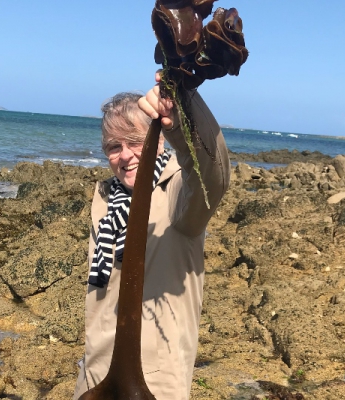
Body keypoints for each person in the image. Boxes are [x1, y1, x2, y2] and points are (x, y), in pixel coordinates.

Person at [73, 72, 231, 400]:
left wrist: (182, 117)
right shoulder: (106, 200)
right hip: (94, 375)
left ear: (158, 140)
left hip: (155, 381)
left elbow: (212, 177)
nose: (125, 155)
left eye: (134, 141)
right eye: (114, 147)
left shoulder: (177, 193)